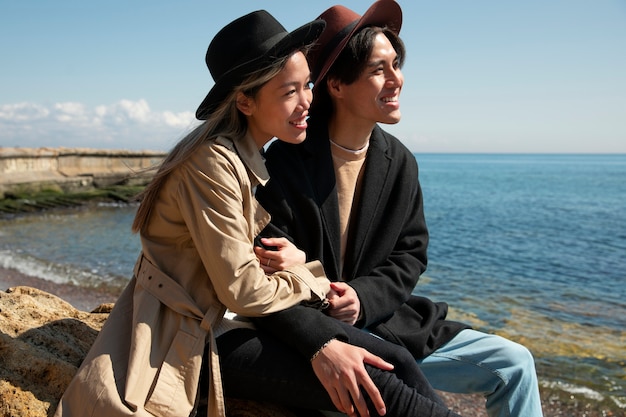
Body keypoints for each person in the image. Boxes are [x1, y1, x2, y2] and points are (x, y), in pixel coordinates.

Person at [54, 9, 461, 417]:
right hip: (197, 332)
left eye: (307, 87)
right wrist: (310, 275)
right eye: (289, 93)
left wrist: (298, 267)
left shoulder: (248, 161)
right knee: (375, 383)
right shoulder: (212, 164)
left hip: (235, 323)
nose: (307, 103)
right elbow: (243, 289)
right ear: (246, 101)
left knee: (398, 361)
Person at [254, 1, 544, 417]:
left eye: (397, 65)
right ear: (336, 85)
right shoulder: (282, 163)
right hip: (317, 337)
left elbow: (410, 254)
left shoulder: (400, 160)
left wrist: (363, 297)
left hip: (390, 321)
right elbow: (263, 272)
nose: (397, 80)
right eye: (378, 69)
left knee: (515, 363)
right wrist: (325, 307)